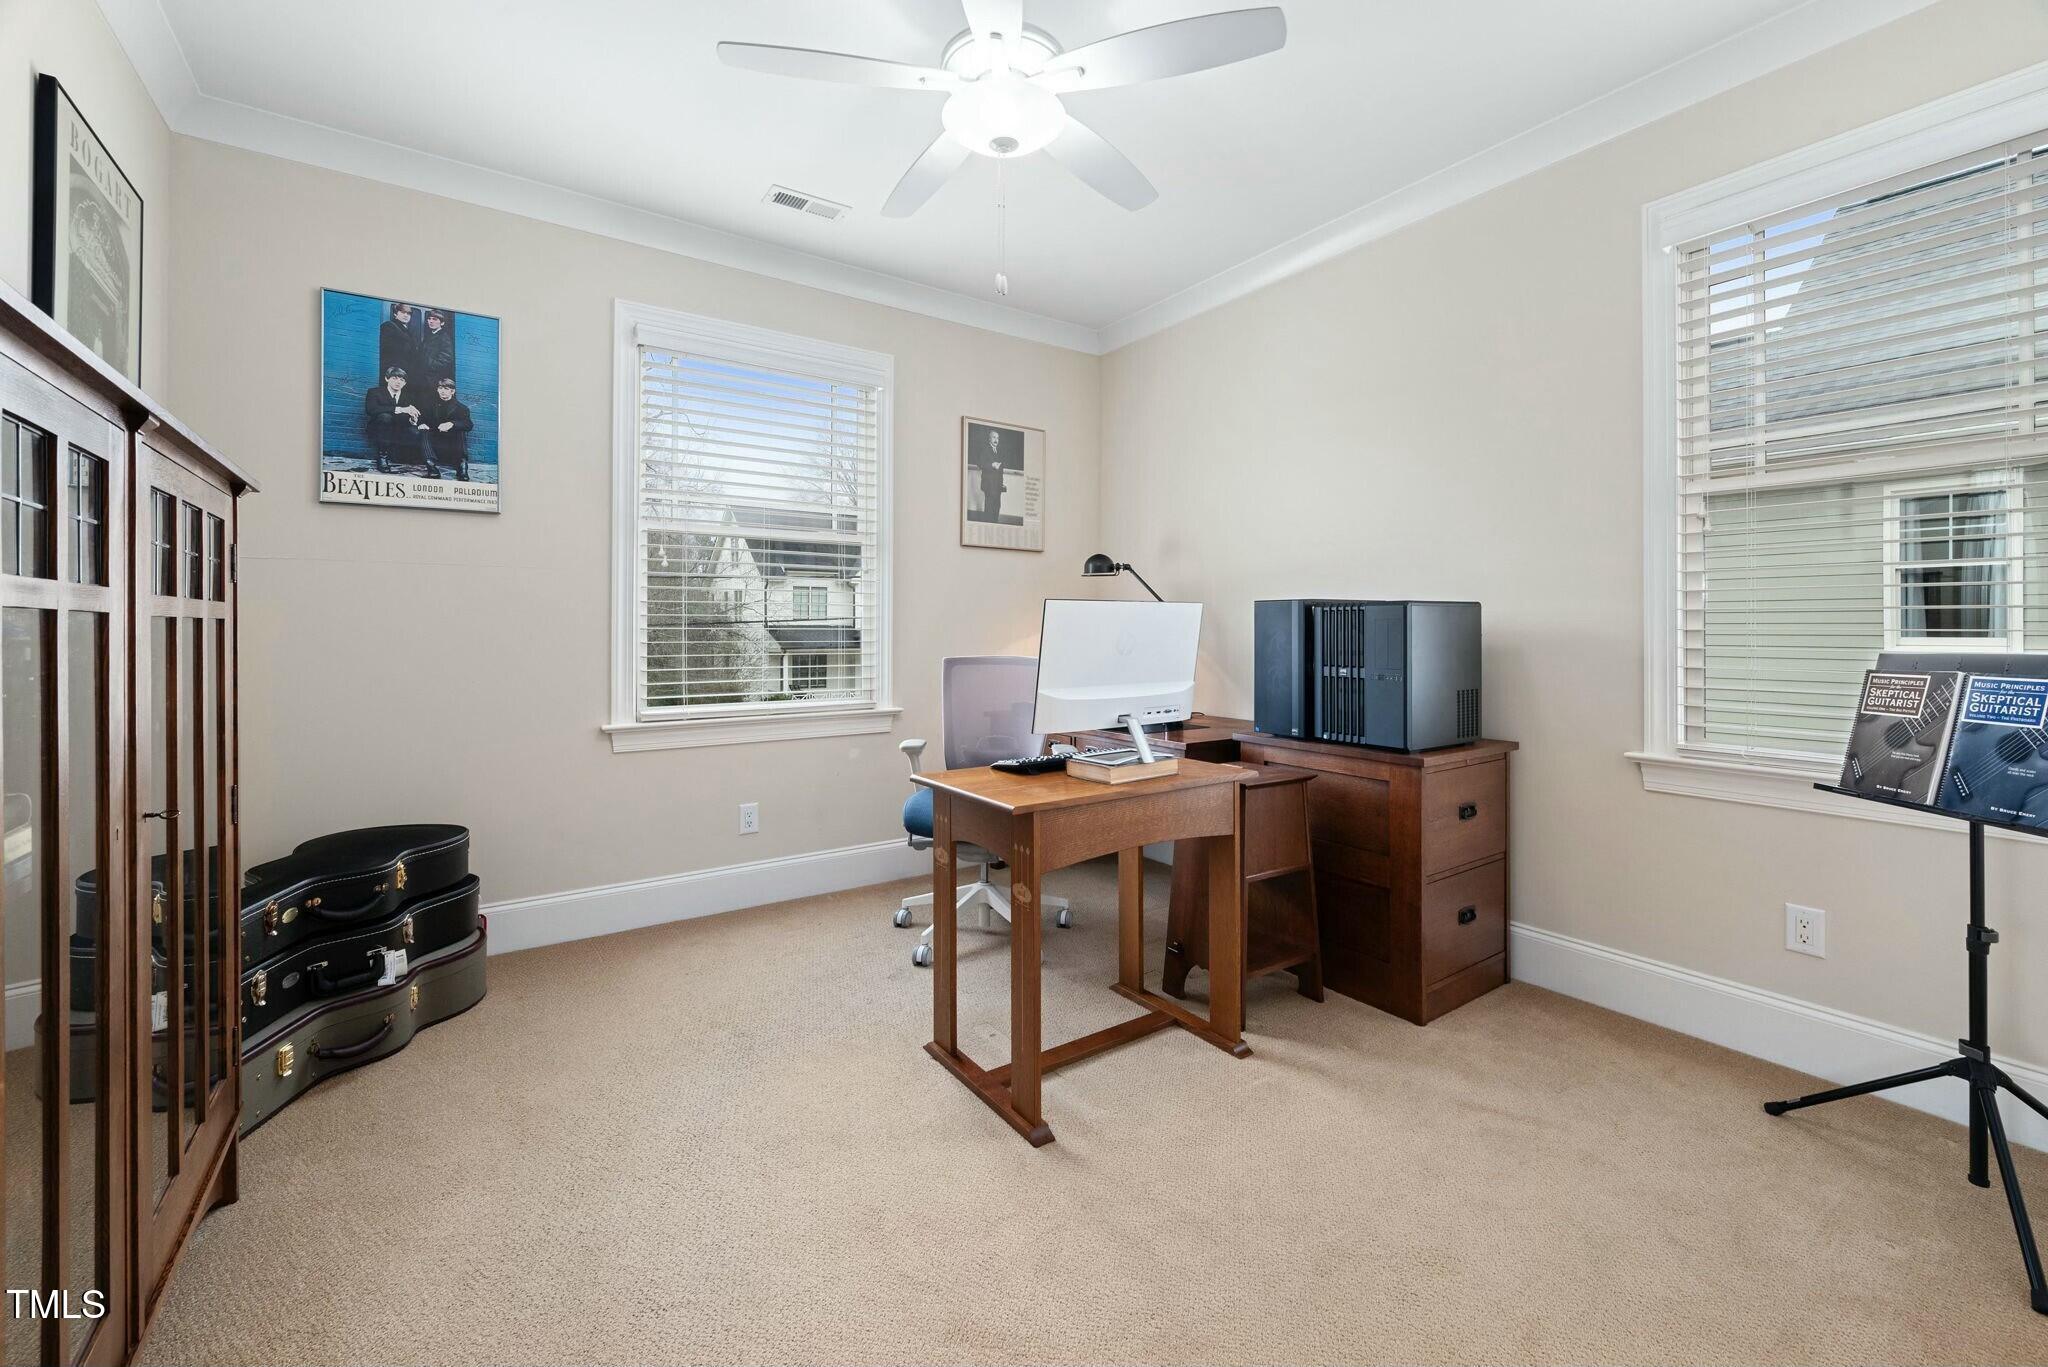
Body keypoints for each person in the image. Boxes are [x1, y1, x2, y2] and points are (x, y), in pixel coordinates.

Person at [362, 366, 426, 471]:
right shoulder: (374, 392)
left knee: (415, 431)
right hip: (379, 429)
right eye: (394, 378)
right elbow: (371, 410)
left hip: (399, 430)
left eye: (402, 380)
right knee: (385, 417)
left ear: (405, 383)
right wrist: (400, 409)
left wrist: (413, 419)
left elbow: (408, 417)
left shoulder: (409, 397)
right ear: (387, 379)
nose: (398, 382)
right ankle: (382, 457)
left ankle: (405, 456)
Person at [419, 376, 473, 480]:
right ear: (437, 389)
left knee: (460, 431)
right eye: (440, 388)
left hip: (452, 443)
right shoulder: (430, 405)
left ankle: (462, 468)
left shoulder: (461, 408)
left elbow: (469, 424)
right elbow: (422, 418)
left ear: (452, 391)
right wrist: (421, 424)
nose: (442, 391)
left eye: (446, 389)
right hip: (434, 441)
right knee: (424, 431)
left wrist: (452, 424)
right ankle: (432, 468)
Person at [415, 309, 455, 392]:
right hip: (424, 379)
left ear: (442, 323)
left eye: (435, 319)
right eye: (429, 319)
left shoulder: (444, 337)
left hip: (433, 380)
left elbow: (446, 359)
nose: (431, 321)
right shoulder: (429, 336)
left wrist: (427, 364)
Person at [378, 303, 418, 384]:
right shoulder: (389, 326)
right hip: (394, 372)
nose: (406, 315)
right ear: (395, 313)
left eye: (408, 314)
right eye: (403, 312)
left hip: (406, 373)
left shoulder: (409, 331)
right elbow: (387, 350)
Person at [976, 425, 1009, 523]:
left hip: (998, 486)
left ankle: (995, 524)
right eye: (994, 437)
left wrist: (1002, 483)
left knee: (997, 507)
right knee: (989, 509)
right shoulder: (985, 450)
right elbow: (980, 463)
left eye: (997, 438)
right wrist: (992, 465)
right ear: (989, 438)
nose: (996, 440)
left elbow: (1001, 470)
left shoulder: (999, 452)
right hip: (989, 485)